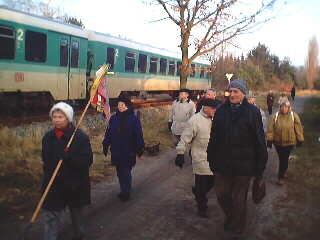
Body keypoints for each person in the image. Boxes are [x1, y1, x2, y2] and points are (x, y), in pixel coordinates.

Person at [207, 79, 268, 240]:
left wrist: (260, 168)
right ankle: (232, 216)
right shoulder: (220, 110)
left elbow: (259, 140)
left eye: (236, 92)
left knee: (240, 198)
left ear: (243, 93)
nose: (232, 94)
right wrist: (211, 158)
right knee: (221, 195)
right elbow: (214, 137)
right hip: (223, 163)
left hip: (244, 165)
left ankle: (238, 228)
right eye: (230, 91)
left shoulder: (252, 112)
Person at [41, 102, 93, 240]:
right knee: (51, 215)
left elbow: (87, 161)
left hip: (74, 183)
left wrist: (69, 158)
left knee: (76, 214)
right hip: (54, 183)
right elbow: (45, 159)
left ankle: (78, 235)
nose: (57, 120)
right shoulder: (48, 138)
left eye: (60, 117)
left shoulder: (80, 138)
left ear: (68, 119)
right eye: (54, 117)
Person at [175, 99, 220, 218]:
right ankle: (202, 208)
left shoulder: (218, 119)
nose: (215, 111)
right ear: (205, 108)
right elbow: (185, 138)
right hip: (200, 157)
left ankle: (198, 192)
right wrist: (180, 153)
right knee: (201, 184)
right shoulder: (195, 121)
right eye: (213, 109)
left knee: (211, 182)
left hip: (215, 158)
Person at [102, 96, 145, 201]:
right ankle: (123, 190)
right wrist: (105, 143)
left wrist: (140, 146)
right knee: (119, 171)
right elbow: (109, 133)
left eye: (122, 104)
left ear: (127, 106)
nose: (120, 107)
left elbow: (138, 134)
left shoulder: (133, 119)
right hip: (116, 149)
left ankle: (126, 191)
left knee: (126, 171)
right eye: (119, 104)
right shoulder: (114, 118)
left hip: (128, 149)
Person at [266, 100, 304, 185]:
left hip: (289, 142)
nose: (283, 109)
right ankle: (284, 170)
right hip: (278, 142)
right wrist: (269, 139)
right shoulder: (275, 116)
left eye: (285, 107)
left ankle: (281, 177)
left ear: (289, 108)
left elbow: (298, 128)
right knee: (282, 158)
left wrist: (300, 139)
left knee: (284, 159)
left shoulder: (293, 116)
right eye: (282, 107)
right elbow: (270, 129)